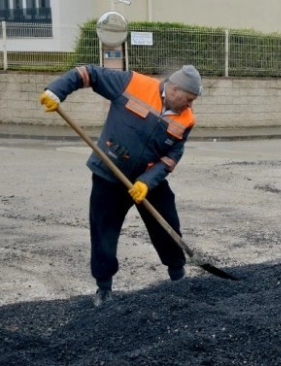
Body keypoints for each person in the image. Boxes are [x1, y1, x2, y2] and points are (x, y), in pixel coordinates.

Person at [39, 64, 202, 307]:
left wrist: (146, 183)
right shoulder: (132, 84)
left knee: (166, 222)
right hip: (109, 174)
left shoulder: (187, 119)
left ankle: (178, 277)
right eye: (188, 99)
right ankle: (104, 289)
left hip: (147, 181)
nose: (190, 106)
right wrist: (56, 91)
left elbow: (171, 157)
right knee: (103, 230)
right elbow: (88, 74)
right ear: (175, 89)